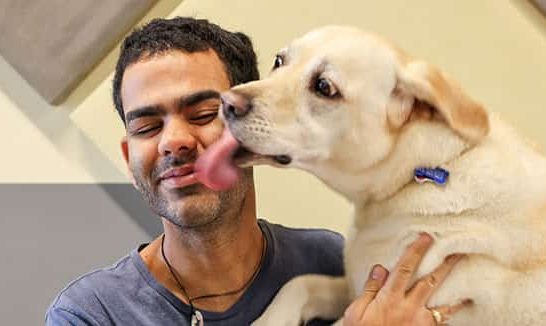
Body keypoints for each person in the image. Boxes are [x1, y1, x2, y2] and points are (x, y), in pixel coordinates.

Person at [46, 17, 469, 325]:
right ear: (129, 154)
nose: (173, 141)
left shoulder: (330, 262)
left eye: (204, 113)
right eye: (147, 127)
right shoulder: (90, 314)